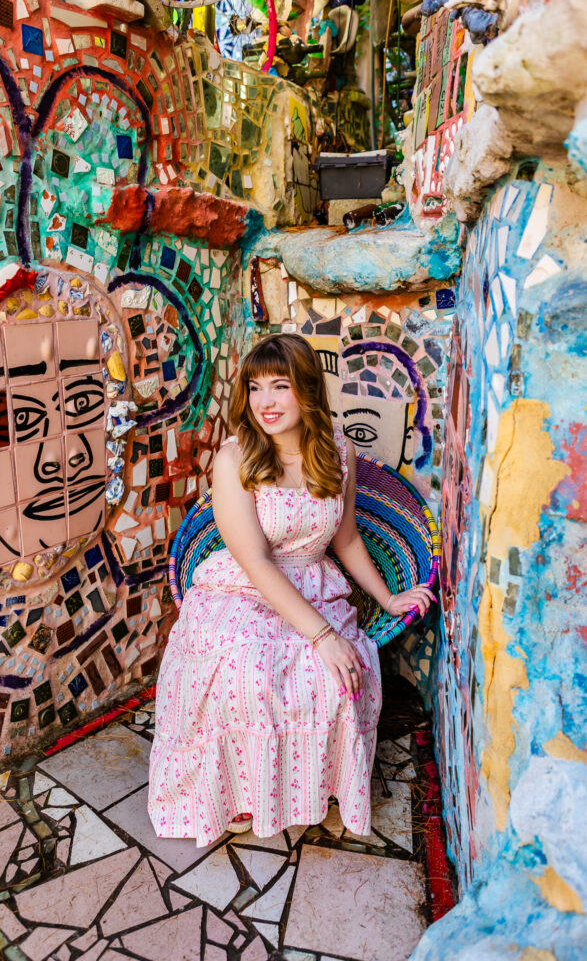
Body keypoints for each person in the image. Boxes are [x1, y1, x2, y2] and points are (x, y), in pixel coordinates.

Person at [148, 333, 434, 845]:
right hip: (241, 588)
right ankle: (238, 796)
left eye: (280, 386)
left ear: (306, 388)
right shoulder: (235, 458)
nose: (266, 402)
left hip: (314, 583)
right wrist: (322, 633)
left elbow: (345, 540)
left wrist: (389, 599)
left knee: (341, 677)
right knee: (246, 670)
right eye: (255, 388)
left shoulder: (338, 451)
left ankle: (313, 789)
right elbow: (255, 561)